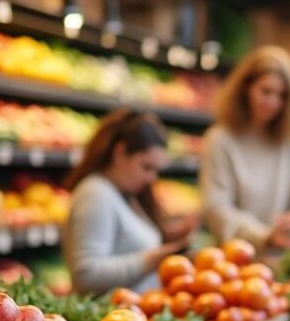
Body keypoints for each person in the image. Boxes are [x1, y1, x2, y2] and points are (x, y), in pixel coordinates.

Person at [201, 45, 290, 251]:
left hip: (286, 256)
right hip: (234, 260)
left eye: (282, 95)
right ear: (245, 89)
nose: (273, 102)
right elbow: (216, 208)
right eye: (266, 92)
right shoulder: (220, 140)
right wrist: (264, 236)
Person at [63, 109, 195, 294]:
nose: (151, 178)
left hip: (131, 316)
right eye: (146, 167)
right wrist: (155, 259)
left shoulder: (125, 193)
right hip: (112, 319)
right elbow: (86, 275)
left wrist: (171, 237)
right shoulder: (95, 193)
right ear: (120, 152)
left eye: (155, 170)